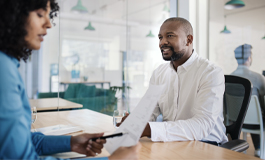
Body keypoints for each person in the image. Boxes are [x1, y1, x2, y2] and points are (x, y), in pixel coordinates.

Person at [0, 0, 140, 159]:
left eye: (48, 15)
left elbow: (22, 142)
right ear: (13, 15)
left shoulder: (8, 64)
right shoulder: (3, 69)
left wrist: (71, 142)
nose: (48, 24)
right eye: (40, 14)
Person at [120, 17, 228, 145]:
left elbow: (202, 125)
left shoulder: (210, 72)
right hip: (172, 141)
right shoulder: (159, 73)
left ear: (188, 40)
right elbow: (147, 112)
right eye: (160, 38)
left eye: (170, 36)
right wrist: (135, 121)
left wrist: (150, 129)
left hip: (206, 144)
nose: (162, 42)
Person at [231, 44, 265, 157]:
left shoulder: (230, 78)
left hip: (235, 122)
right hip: (256, 123)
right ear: (249, 58)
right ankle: (259, 149)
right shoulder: (258, 78)